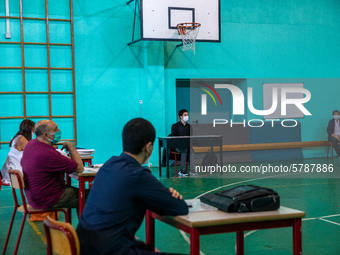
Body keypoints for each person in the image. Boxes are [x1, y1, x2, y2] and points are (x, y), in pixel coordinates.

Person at [77, 118, 188, 255]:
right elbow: (179, 207)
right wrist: (169, 195)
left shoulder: (109, 164)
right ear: (148, 147)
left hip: (86, 247)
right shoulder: (139, 175)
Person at [21, 120, 88, 213]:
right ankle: (87, 226)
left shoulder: (31, 144)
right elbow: (80, 168)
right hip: (48, 198)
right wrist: (71, 146)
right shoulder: (48, 154)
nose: (59, 130)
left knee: (81, 193)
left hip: (34, 196)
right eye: (55, 129)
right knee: (91, 196)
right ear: (46, 135)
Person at [1, 119, 35, 185]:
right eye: (33, 129)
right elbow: (33, 153)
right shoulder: (22, 139)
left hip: (11, 168)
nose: (34, 131)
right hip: (16, 170)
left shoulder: (18, 137)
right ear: (29, 129)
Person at [171, 109, 196, 176]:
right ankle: (182, 170)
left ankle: (192, 170)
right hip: (178, 146)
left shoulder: (189, 127)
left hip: (187, 145)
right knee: (184, 150)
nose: (186, 116)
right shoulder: (175, 126)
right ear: (180, 116)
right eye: (185, 115)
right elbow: (173, 138)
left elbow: (191, 137)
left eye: (187, 115)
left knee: (191, 150)